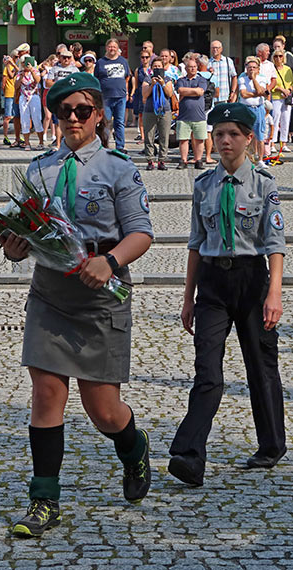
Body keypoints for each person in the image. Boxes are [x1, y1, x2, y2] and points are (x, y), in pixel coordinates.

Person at [0, 72, 153, 537]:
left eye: (82, 110)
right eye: (63, 110)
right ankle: (44, 499)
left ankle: (133, 447)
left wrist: (111, 260)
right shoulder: (39, 168)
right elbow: (24, 231)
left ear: (99, 115)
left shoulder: (118, 168)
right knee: (46, 394)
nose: (72, 118)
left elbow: (142, 232)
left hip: (100, 297)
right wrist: (14, 244)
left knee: (103, 410)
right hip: (50, 293)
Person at [169, 102, 287, 487]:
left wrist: (274, 294)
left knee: (261, 365)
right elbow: (195, 242)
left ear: (248, 139)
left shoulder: (265, 185)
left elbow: (274, 244)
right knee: (207, 370)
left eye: (233, 134)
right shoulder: (203, 184)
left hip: (252, 281)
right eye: (219, 134)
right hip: (213, 284)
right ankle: (188, 455)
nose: (224, 141)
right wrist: (188, 297)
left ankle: (270, 445)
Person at [94, 38, 131, 152]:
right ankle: (104, 145)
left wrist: (127, 92)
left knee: (120, 122)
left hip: (120, 96)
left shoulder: (123, 61)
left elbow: (127, 77)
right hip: (105, 97)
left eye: (114, 47)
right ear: (106, 48)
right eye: (110, 46)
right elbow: (96, 79)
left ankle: (120, 146)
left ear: (117, 48)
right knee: (106, 123)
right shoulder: (101, 62)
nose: (112, 49)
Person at [175, 57, 208, 169]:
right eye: (190, 67)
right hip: (184, 116)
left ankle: (198, 160)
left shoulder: (202, 80)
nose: (193, 69)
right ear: (186, 68)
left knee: (199, 139)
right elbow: (180, 90)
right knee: (183, 139)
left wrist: (187, 91)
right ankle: (183, 160)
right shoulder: (181, 80)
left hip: (199, 116)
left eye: (194, 67)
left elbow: (201, 92)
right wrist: (194, 91)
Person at [142, 57, 173, 170]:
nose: (157, 68)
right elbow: (144, 95)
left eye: (159, 66)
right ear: (151, 68)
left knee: (164, 136)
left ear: (163, 68)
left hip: (165, 110)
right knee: (149, 136)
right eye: (155, 66)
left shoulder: (168, 78)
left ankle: (162, 160)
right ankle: (150, 160)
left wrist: (163, 84)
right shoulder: (147, 79)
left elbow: (169, 94)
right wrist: (152, 85)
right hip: (150, 111)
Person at [46, 48, 79, 149]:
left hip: (71, 99)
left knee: (72, 120)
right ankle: (58, 144)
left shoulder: (74, 70)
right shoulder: (55, 69)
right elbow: (47, 83)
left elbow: (78, 83)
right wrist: (61, 84)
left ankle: (72, 143)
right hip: (59, 98)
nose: (66, 60)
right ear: (60, 58)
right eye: (64, 57)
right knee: (59, 121)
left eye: (68, 58)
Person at [238, 56, 268, 167]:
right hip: (246, 108)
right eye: (249, 67)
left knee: (260, 135)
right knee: (245, 133)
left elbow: (261, 90)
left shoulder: (262, 78)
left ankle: (260, 159)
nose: (251, 69)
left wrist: (254, 79)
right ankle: (245, 157)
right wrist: (257, 93)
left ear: (258, 69)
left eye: (254, 67)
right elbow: (243, 94)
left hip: (258, 108)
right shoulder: (242, 77)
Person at [15, 56, 44, 150]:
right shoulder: (20, 73)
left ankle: (41, 142)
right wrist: (22, 76)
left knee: (37, 119)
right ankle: (27, 143)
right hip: (23, 97)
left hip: (34, 97)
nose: (25, 65)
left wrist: (31, 70)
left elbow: (37, 80)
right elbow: (16, 86)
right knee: (24, 120)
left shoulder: (35, 71)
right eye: (23, 63)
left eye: (27, 62)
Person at [269, 49, 292, 152]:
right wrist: (280, 89)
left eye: (280, 56)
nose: (278, 58)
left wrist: (288, 90)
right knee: (275, 119)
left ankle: (284, 143)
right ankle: (273, 143)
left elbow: (291, 82)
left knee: (286, 120)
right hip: (276, 97)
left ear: (284, 57)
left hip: (287, 97)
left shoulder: (288, 69)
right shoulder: (271, 69)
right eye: (276, 56)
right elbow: (271, 83)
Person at [208, 40, 238, 105]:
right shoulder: (208, 63)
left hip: (226, 97)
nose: (215, 50)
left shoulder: (228, 61)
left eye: (217, 48)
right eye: (213, 48)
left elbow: (234, 77)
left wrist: (233, 92)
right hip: (212, 99)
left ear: (221, 49)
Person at [133, 50, 153, 143]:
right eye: (143, 57)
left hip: (152, 95)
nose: (144, 59)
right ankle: (143, 136)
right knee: (141, 116)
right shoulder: (138, 70)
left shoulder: (152, 69)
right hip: (141, 94)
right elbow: (136, 84)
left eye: (146, 57)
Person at [2, 50, 18, 145]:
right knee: (8, 116)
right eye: (15, 57)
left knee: (16, 116)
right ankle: (5, 136)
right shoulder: (7, 68)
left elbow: (18, 70)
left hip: (16, 93)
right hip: (9, 93)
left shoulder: (17, 66)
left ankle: (18, 135)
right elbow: (9, 77)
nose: (17, 58)